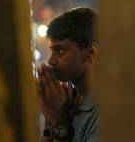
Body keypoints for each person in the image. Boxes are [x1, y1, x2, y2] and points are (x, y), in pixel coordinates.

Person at [36, 7, 100, 142]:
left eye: (60, 50)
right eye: (52, 50)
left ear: (90, 53)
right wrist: (50, 118)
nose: (51, 61)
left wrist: (60, 122)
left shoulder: (104, 111)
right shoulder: (67, 103)